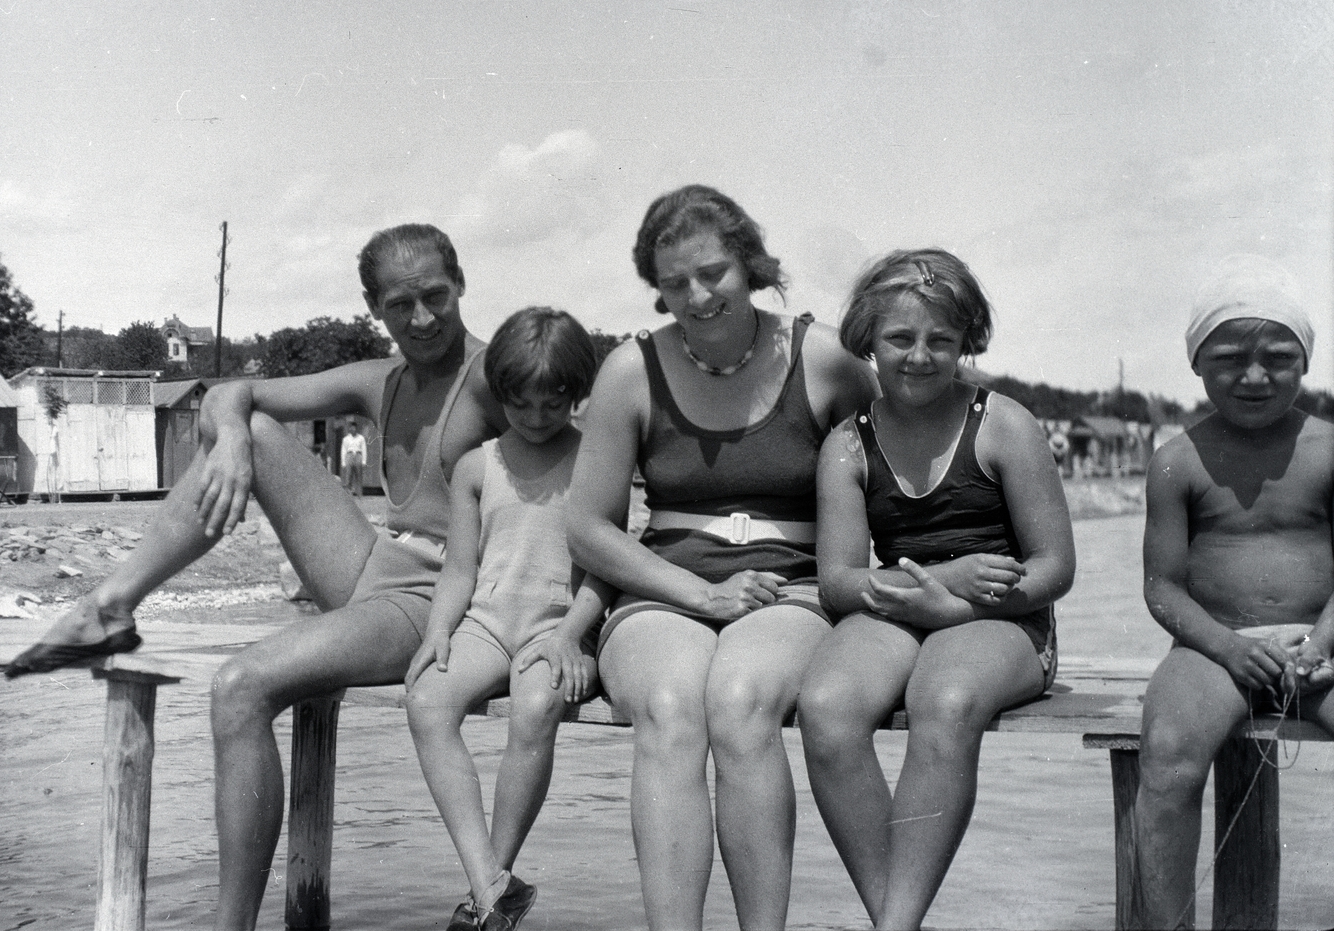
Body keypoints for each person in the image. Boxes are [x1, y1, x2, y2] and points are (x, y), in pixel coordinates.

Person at [4, 223, 506, 931]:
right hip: (378, 571)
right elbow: (227, 394)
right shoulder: (379, 379)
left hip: (443, 600)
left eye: (435, 296)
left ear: (461, 284)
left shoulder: (495, 375)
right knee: (253, 428)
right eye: (401, 305)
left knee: (239, 686)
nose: (421, 319)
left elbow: (568, 484)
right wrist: (235, 438)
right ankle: (112, 603)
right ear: (374, 307)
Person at [566, 185, 879, 931]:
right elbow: (587, 526)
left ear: (750, 264)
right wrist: (696, 594)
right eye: (675, 283)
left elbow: (893, 474)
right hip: (664, 585)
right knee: (672, 708)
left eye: (714, 273)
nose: (698, 295)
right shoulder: (629, 371)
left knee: (739, 701)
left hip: (793, 584)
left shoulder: (826, 357)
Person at [797, 248, 1075, 931]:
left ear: (965, 342)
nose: (919, 356)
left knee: (943, 699)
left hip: (1004, 614)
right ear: (867, 339)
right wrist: (941, 583)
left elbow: (1053, 567)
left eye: (940, 340)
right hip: (900, 605)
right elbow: (836, 581)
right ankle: (899, 920)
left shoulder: (1003, 422)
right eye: (900, 338)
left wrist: (960, 602)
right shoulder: (847, 445)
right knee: (826, 703)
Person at [1132, 256, 1333, 930]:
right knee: (1165, 754)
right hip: (1212, 647)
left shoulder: (1330, 449)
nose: (1254, 375)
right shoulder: (1177, 458)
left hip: (1325, 640)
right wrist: (1225, 647)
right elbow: (1161, 587)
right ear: (1196, 363)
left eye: (1277, 356)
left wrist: (1321, 645)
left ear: (1305, 359)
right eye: (1229, 358)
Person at [405, 307, 605, 931]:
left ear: (576, 395)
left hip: (559, 623)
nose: (538, 418)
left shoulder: (596, 459)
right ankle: (490, 884)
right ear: (501, 395)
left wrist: (574, 634)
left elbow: (610, 565)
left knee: (536, 708)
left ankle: (495, 886)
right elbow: (459, 569)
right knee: (427, 702)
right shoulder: (476, 465)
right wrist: (438, 629)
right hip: (488, 620)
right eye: (522, 404)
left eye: (554, 403)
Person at [340, 424, 368, 494]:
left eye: (354, 428)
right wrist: (343, 462)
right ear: (349, 429)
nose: (353, 430)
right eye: (351, 428)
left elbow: (364, 449)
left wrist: (364, 461)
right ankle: (348, 492)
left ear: (356, 429)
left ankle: (359, 493)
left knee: (358, 474)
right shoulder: (346, 439)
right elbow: (343, 450)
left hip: (358, 455)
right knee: (348, 474)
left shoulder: (361, 438)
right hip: (349, 455)